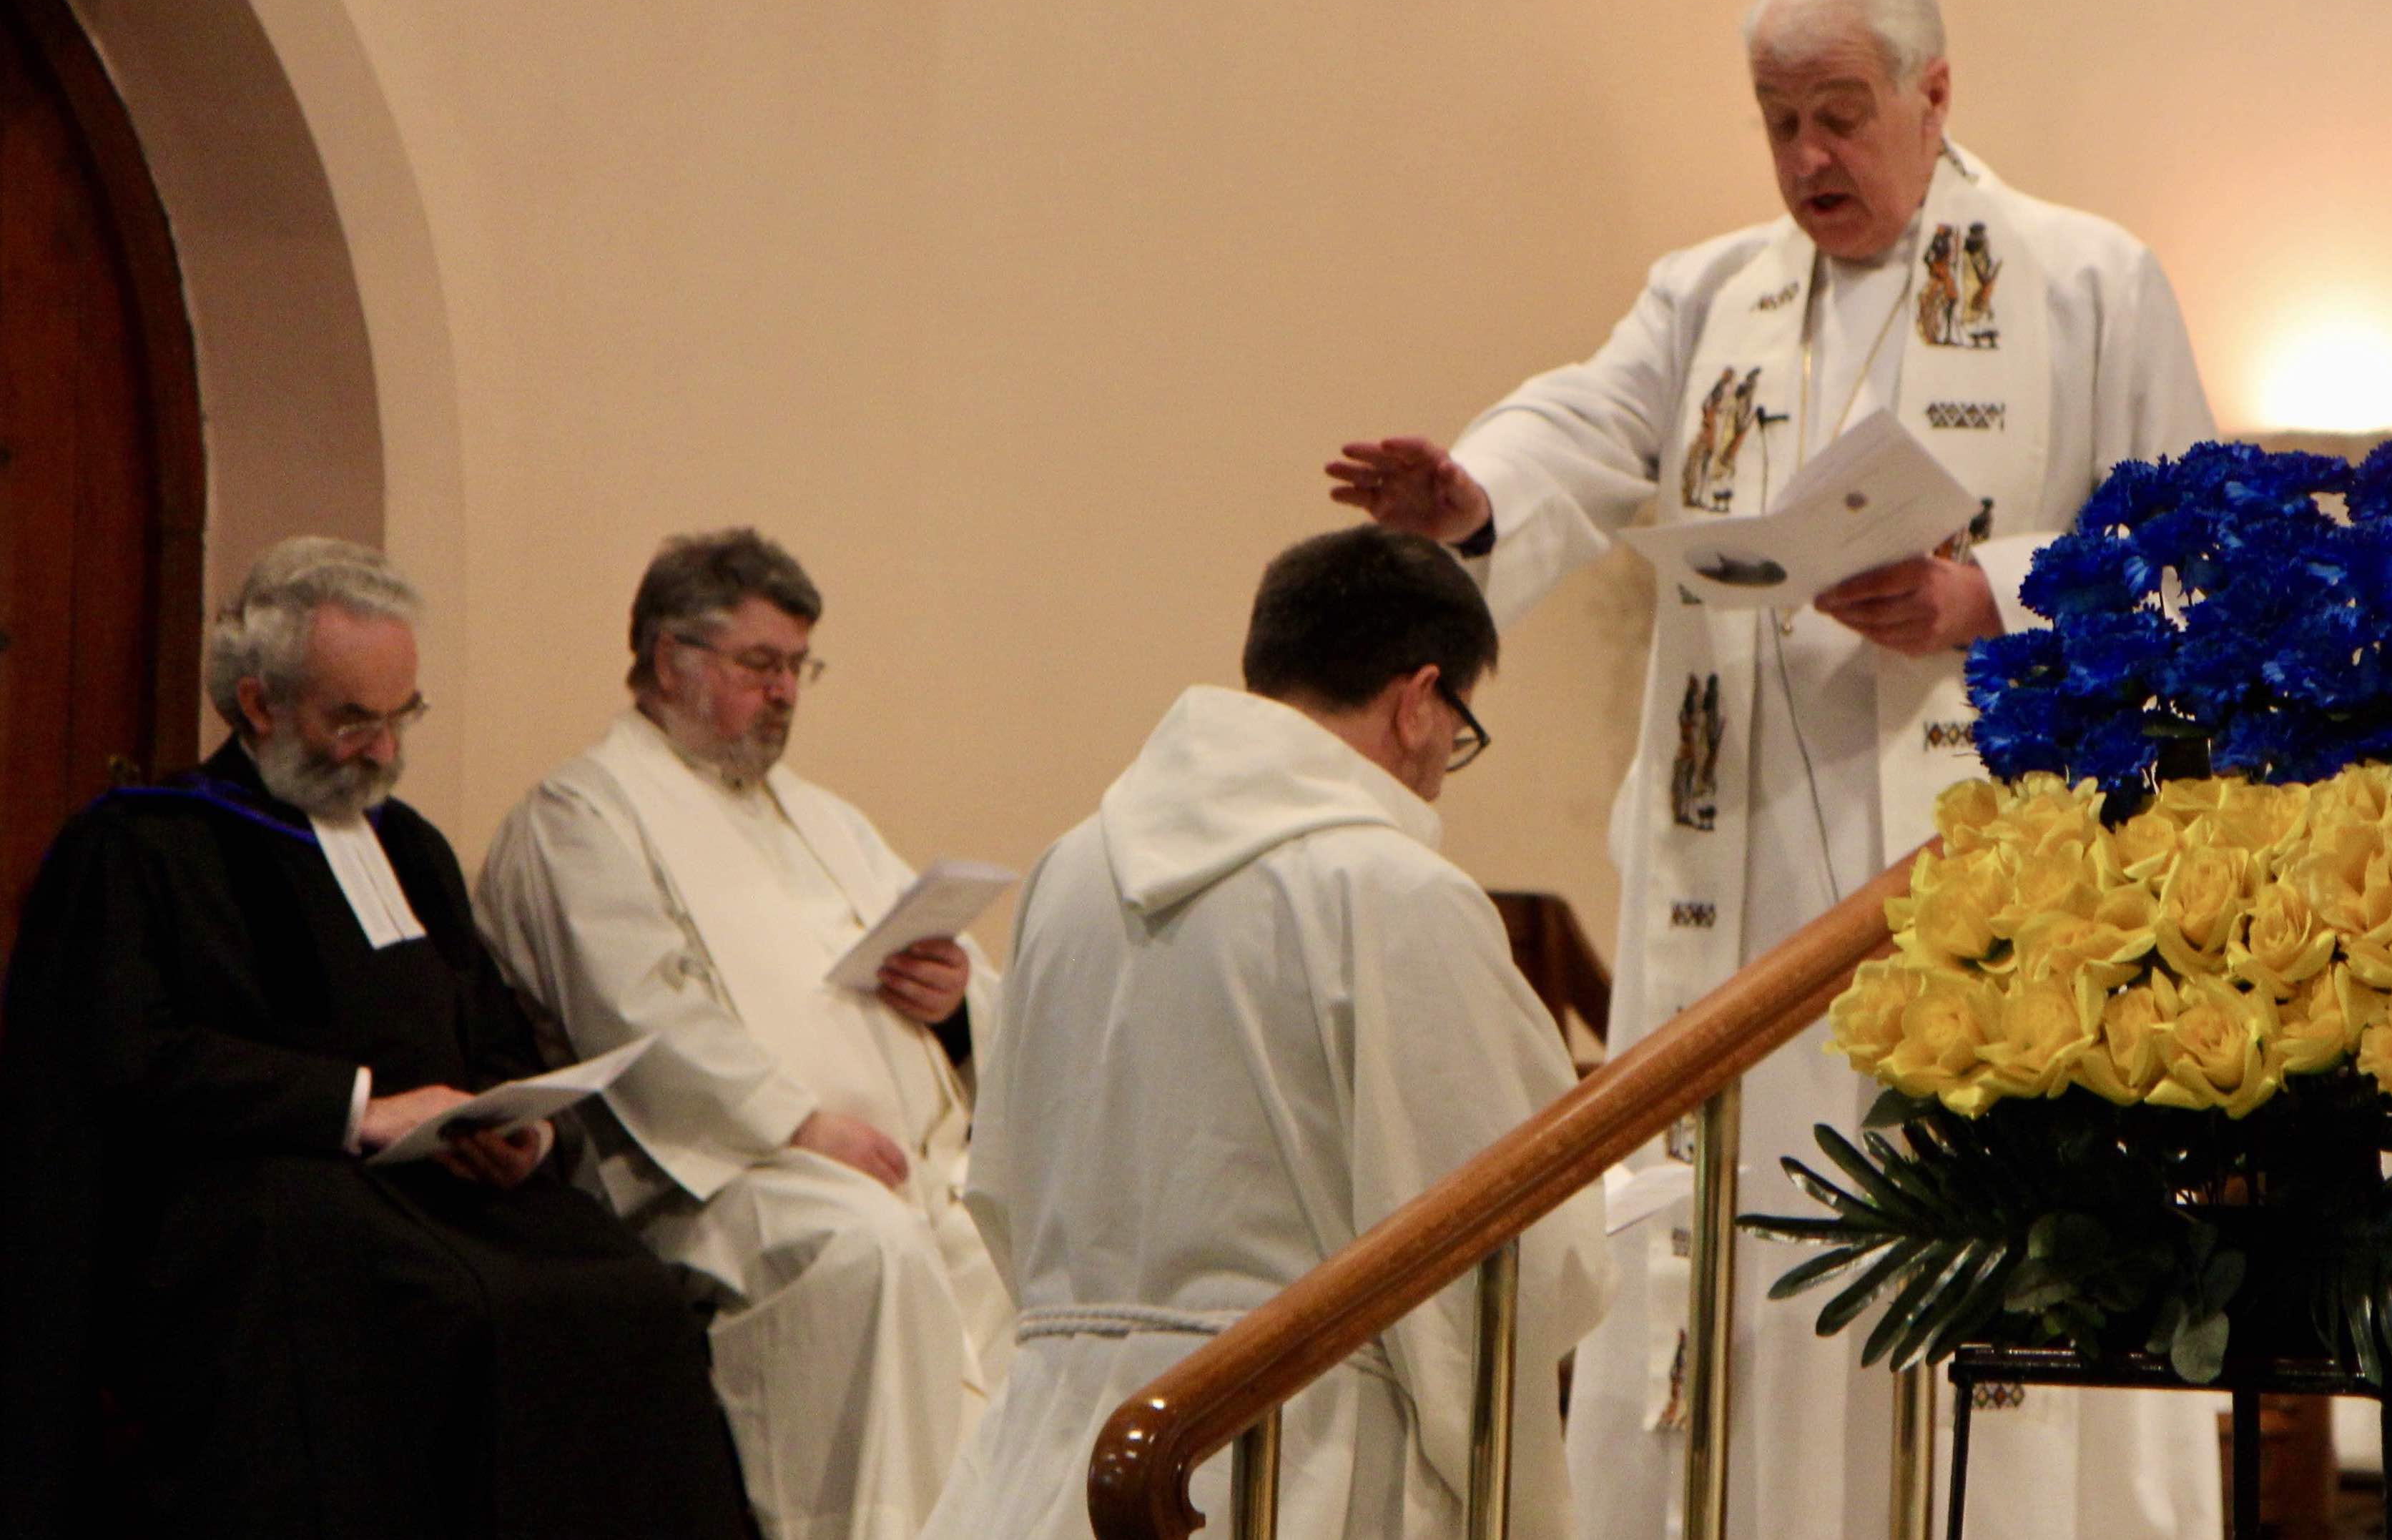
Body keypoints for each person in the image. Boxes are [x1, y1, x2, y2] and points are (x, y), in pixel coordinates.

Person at [1326, 0, 2223, 1539]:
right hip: (1738, 910)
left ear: (1933, 93)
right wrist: (1472, 496)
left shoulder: (2088, 281)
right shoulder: (1709, 296)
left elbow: (2191, 561)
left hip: (1966, 922)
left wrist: (1986, 595)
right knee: (1728, 1280)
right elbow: (1582, 425)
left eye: (1837, 112)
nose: (1807, 156)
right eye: (1776, 120)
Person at [0, 538, 754, 1540]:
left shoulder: (410, 849)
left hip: (438, 1191)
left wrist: (517, 1126)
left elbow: (489, 1030)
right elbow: (132, 1059)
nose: (385, 751)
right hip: (266, 1193)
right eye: (354, 720)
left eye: (402, 716)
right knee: (440, 1304)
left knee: (628, 1294)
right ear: (261, 704)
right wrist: (356, 1108)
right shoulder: (144, 846)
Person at [920, 525, 1611, 1540]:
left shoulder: (1068, 872)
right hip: (1294, 1456)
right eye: (1458, 733)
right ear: (1420, 701)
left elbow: (1003, 1189)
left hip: (1061, 1450)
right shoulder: (1391, 891)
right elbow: (1502, 1240)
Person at [477, 527, 1006, 1540]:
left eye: (798, 667)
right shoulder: (583, 814)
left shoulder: (824, 818)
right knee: (869, 1252)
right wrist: (799, 1126)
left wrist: (954, 1004)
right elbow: (641, 1013)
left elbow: (957, 969)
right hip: (711, 1177)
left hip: (894, 1165)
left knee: (1006, 1237)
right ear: (671, 658)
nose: (786, 693)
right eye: (761, 665)